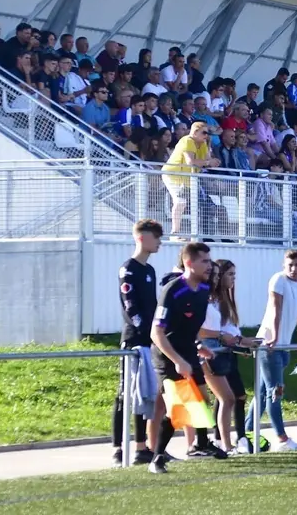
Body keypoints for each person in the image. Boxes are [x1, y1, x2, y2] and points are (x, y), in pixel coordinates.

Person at [149, 242, 227, 475]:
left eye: (210, 261)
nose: (210, 266)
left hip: (188, 352)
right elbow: (157, 332)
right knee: (179, 408)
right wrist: (176, 360)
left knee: (201, 399)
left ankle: (201, 444)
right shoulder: (173, 290)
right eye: (204, 261)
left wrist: (198, 346)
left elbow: (190, 326)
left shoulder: (203, 290)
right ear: (189, 263)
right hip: (167, 355)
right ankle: (157, 458)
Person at [245, 249, 297, 451]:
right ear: (284, 266)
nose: (293, 269)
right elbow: (276, 309)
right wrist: (273, 337)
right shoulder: (278, 280)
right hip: (270, 345)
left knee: (263, 393)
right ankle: (282, 439)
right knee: (276, 391)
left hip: (284, 346)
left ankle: (246, 434)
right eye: (290, 265)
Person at [111, 219, 166, 467]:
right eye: (156, 237)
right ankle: (117, 448)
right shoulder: (128, 269)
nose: (159, 242)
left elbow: (152, 305)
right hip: (133, 341)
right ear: (142, 237)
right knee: (125, 394)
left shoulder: (150, 271)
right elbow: (130, 306)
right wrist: (145, 330)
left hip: (149, 341)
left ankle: (141, 447)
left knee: (144, 394)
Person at [202, 259, 266, 454]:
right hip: (215, 352)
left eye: (234, 275)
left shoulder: (225, 299)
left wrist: (240, 344)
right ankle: (227, 439)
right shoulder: (211, 299)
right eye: (229, 274)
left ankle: (233, 438)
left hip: (228, 351)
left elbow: (229, 329)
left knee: (234, 397)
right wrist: (239, 341)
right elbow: (216, 331)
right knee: (229, 397)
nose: (233, 279)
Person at [161, 122, 220, 239]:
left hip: (188, 178)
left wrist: (214, 161)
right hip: (173, 175)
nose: (206, 135)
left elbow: (207, 161)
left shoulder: (203, 144)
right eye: (204, 132)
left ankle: (204, 235)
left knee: (204, 203)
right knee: (180, 201)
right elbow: (191, 161)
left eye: (207, 133)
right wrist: (208, 162)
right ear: (195, 132)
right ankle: (175, 233)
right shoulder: (187, 140)